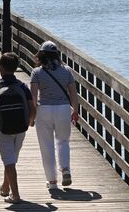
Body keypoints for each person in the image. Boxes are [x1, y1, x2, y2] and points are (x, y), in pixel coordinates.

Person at [0, 52, 36, 204]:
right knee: (11, 159)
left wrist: (0, 119)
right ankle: (5, 187)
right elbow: (33, 108)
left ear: (1, 68)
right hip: (21, 128)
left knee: (9, 160)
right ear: (15, 68)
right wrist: (28, 121)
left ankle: (15, 195)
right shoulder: (22, 86)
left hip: (2, 129)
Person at [30, 41, 79, 190]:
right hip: (63, 109)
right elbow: (73, 94)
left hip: (44, 109)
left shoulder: (37, 72)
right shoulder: (67, 71)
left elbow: (33, 97)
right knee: (63, 141)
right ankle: (65, 169)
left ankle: (52, 182)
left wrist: (32, 116)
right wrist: (75, 111)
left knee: (47, 146)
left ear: (41, 56)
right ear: (57, 55)